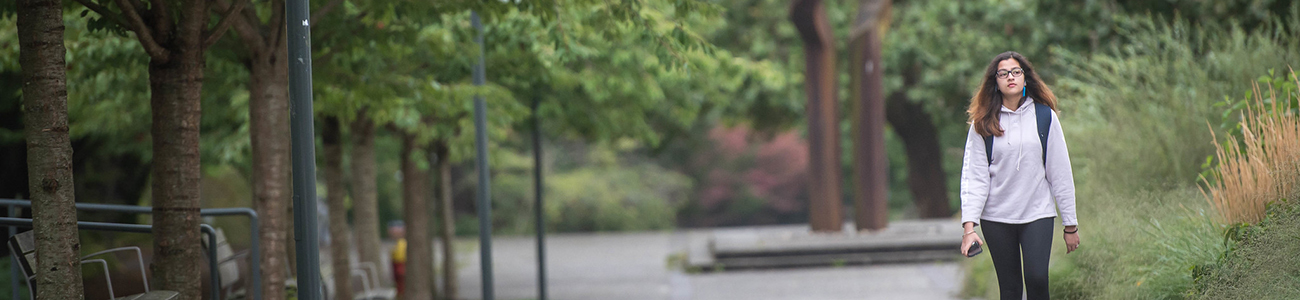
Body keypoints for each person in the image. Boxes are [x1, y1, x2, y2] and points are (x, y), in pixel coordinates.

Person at [959, 51, 1081, 300]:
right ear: (996, 82)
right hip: (997, 217)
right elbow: (975, 177)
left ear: (1025, 78)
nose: (1010, 77)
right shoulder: (982, 124)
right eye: (1003, 74)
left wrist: (1071, 224)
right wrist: (969, 227)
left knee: (1037, 279)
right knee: (1011, 289)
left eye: (1016, 72)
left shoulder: (1045, 117)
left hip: (1037, 213)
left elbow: (1060, 172)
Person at [388, 220, 407, 295]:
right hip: (397, 268)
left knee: (401, 287)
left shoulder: (402, 243)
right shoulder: (397, 243)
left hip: (400, 268)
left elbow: (399, 259)